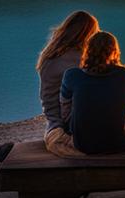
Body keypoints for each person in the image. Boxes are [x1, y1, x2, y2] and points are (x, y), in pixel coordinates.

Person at [59, 31, 125, 154]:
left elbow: (64, 108)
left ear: (88, 51)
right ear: (114, 51)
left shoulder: (71, 75)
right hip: (119, 143)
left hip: (83, 144)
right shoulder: (124, 75)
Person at [36, 10, 99, 158]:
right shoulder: (81, 60)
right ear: (87, 34)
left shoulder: (49, 56)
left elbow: (48, 97)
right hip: (71, 122)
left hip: (54, 121)